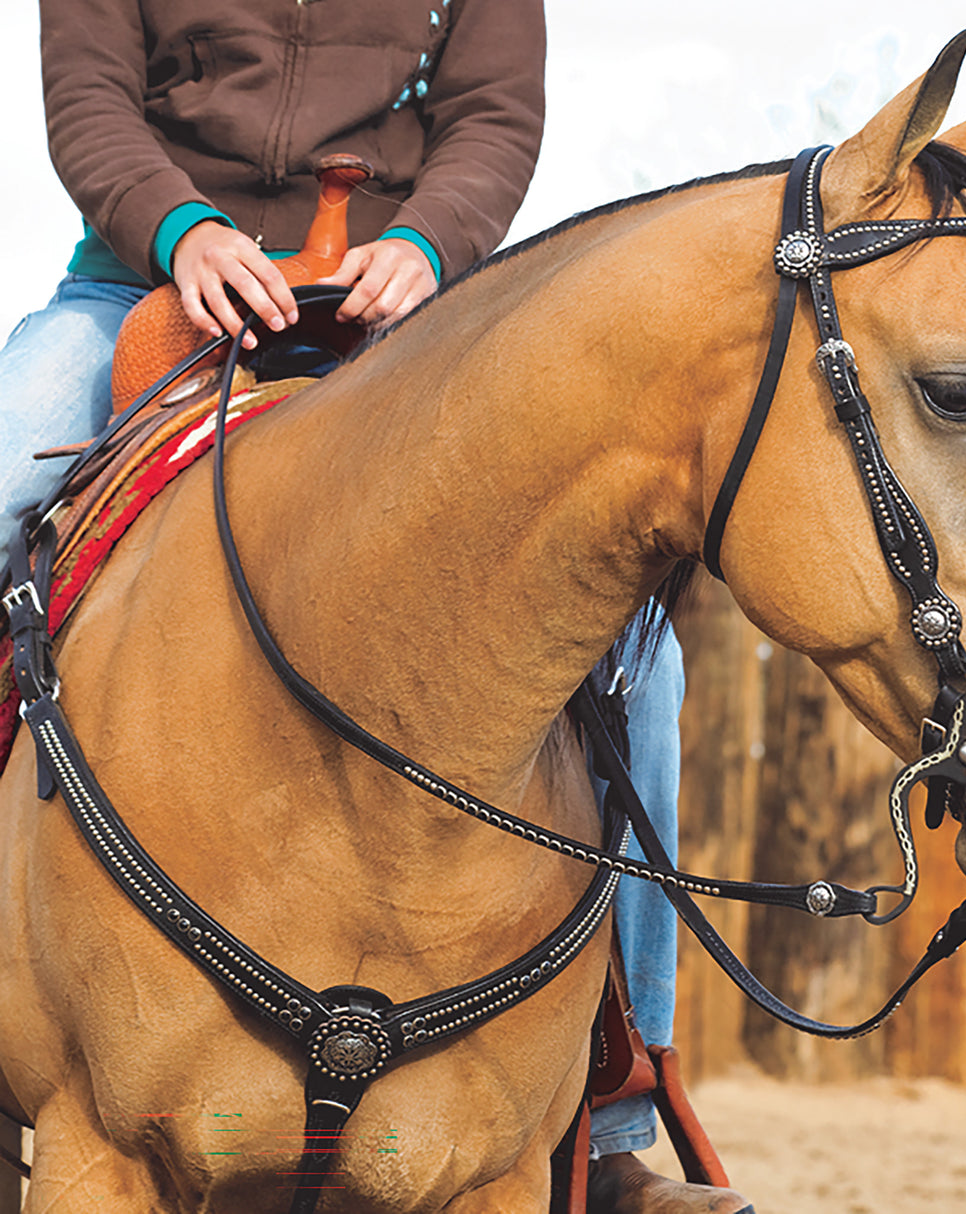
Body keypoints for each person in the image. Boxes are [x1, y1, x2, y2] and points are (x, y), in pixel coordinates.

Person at [2, 3, 751, 1211]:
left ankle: (615, 1117)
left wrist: (431, 243)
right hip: (145, 280)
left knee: (637, 659)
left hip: (395, 305)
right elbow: (88, 94)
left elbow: (492, 115)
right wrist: (180, 227)